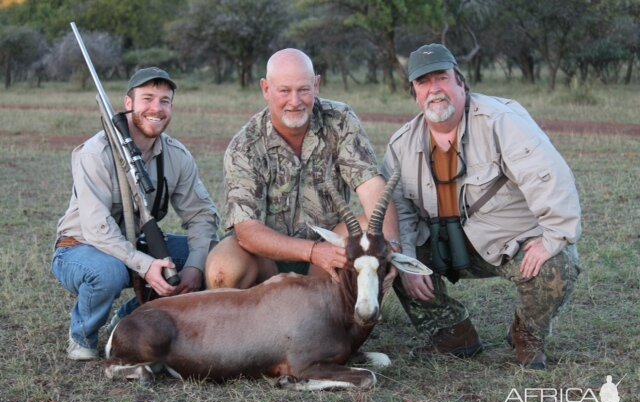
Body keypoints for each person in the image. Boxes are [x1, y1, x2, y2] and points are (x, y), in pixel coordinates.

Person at [381, 44, 581, 370]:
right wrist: (407, 262)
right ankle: (454, 336)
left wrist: (553, 236)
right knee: (389, 260)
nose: (435, 89)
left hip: (506, 240)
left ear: (460, 82)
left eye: (442, 78)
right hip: (443, 246)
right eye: (424, 82)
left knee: (557, 263)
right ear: (415, 93)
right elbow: (399, 211)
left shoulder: (501, 120)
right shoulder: (400, 144)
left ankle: (526, 335)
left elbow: (548, 175)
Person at [52, 67, 220, 361]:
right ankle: (82, 336)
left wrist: (195, 267)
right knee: (108, 272)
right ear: (128, 103)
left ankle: (130, 317)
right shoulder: (95, 153)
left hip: (135, 245)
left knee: (217, 257)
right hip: (81, 247)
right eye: (147, 98)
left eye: (165, 100)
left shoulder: (176, 155)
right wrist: (145, 265)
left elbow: (202, 215)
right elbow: (97, 228)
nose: (156, 108)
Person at [205, 48, 401, 289]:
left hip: (329, 252)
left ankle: (339, 308)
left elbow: (372, 186)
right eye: (284, 91)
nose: (295, 102)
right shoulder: (244, 145)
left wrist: (390, 245)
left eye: (304, 90)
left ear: (316, 85)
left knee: (368, 228)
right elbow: (247, 231)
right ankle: (246, 317)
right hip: (266, 257)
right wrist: (312, 251)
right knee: (222, 270)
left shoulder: (340, 120)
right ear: (266, 89)